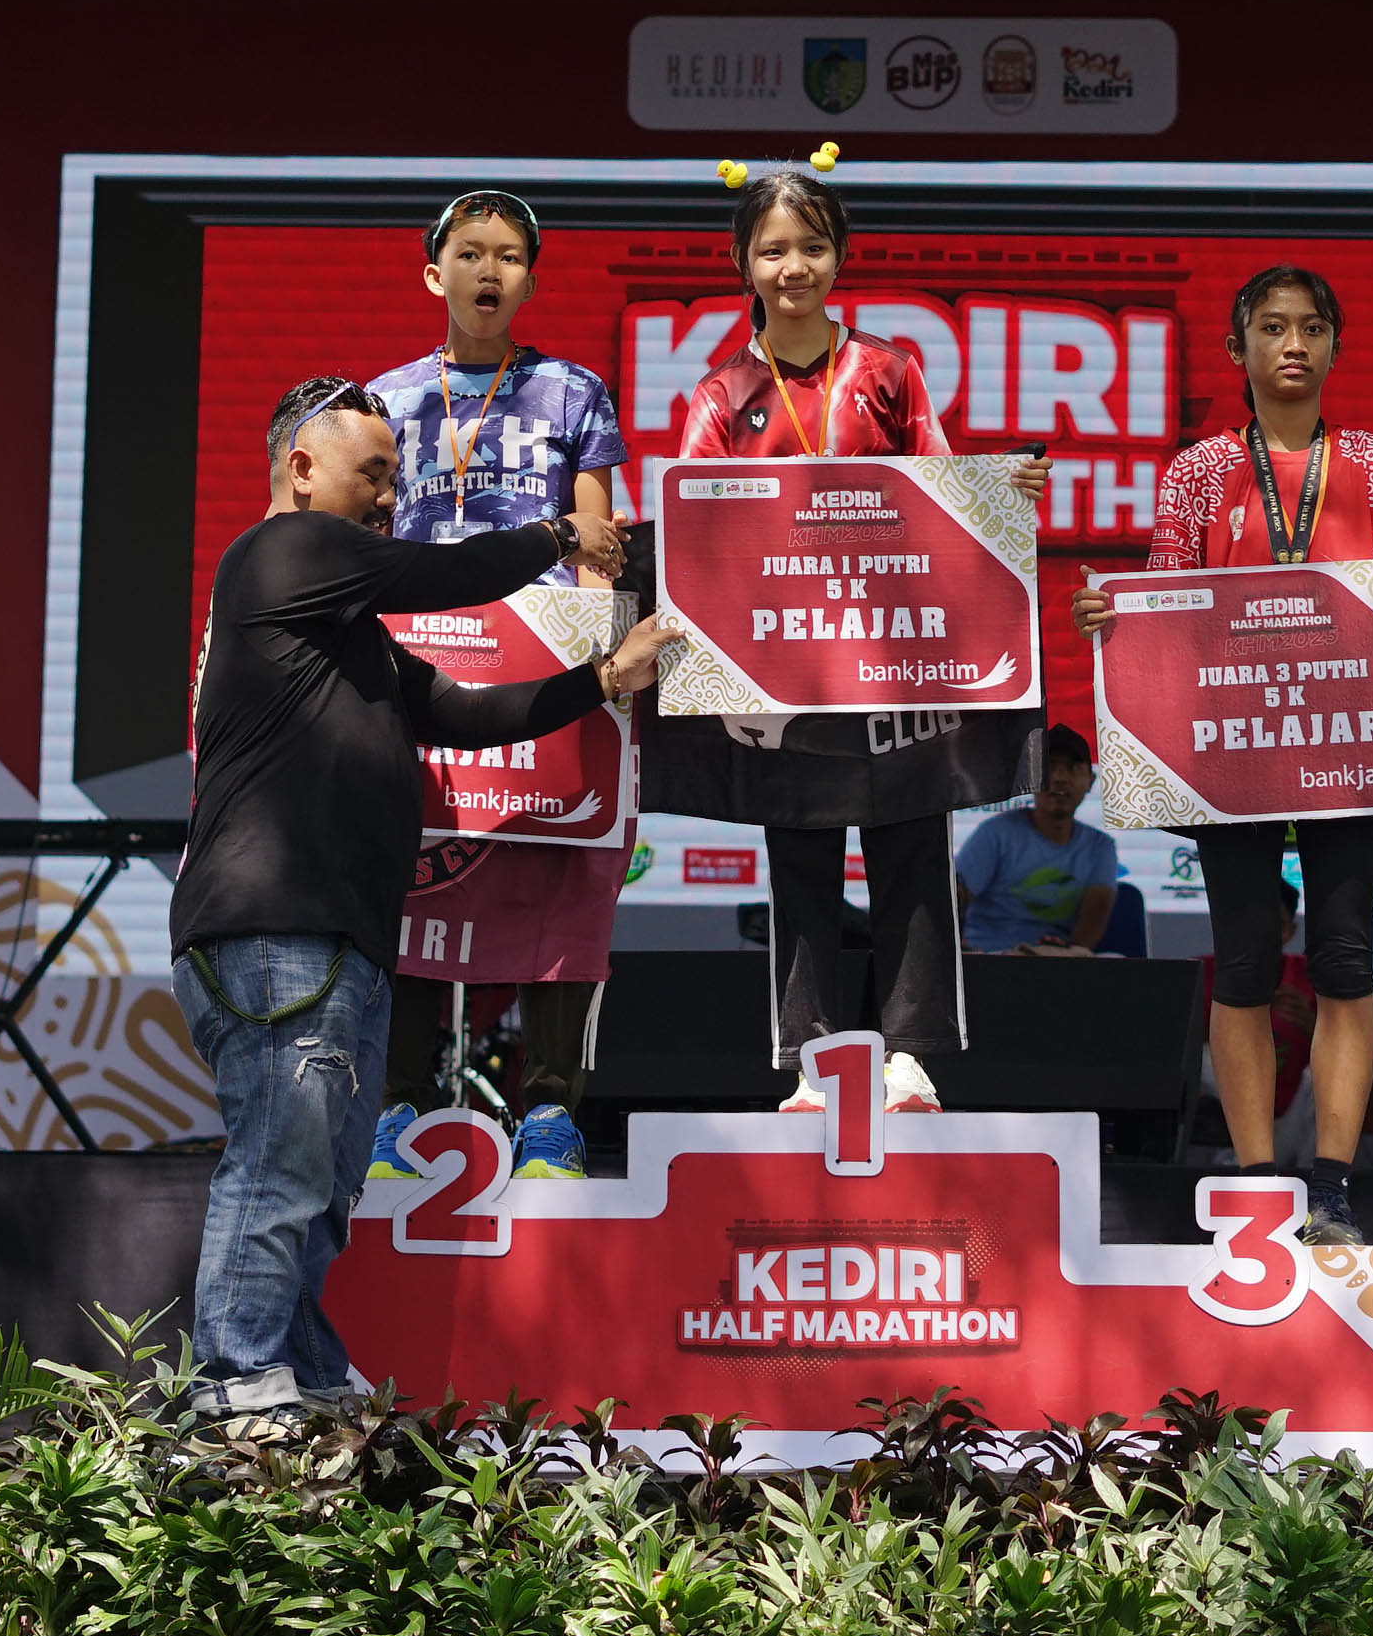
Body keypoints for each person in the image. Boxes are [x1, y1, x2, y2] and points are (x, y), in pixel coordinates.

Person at [169, 377, 666, 1433]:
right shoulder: (281, 551)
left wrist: (601, 679)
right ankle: (233, 1381)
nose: (394, 496)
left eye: (398, 475)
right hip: (274, 927)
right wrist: (558, 531)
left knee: (328, 1180)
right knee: (280, 1163)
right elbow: (445, 574)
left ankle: (302, 1373)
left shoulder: (343, 632)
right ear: (303, 468)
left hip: (339, 939)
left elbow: (466, 712)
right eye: (375, 473)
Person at [648, 165, 1047, 1115]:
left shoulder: (889, 371)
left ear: (841, 257)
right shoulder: (720, 393)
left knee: (913, 848)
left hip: (893, 657)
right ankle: (811, 1060)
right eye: (774, 250)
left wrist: (1000, 494)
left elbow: (941, 492)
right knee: (801, 864)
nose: (795, 267)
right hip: (782, 670)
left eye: (813, 247)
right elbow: (696, 525)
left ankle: (911, 1056)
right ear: (743, 263)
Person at [1075, 264, 1373, 1243]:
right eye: (1272, 327)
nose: (1293, 343)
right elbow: (1165, 605)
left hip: (1349, 741)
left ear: (1336, 345)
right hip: (1234, 744)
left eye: (1312, 326)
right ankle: (1260, 1184)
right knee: (1244, 962)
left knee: (1344, 959)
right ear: (1238, 349)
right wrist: (1112, 614)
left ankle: (1335, 1188)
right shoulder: (1196, 469)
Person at [364, 190, 630, 1181]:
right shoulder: (382, 400)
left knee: (562, 877)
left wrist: (602, 654)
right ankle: (398, 1110)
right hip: (422, 666)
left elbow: (598, 546)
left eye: (510, 256)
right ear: (434, 273)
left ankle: (551, 1110)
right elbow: (361, 536)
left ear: (529, 279)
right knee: (413, 874)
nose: (490, 269)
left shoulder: (572, 390)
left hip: (543, 669)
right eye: (471, 252)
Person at [956, 728, 1122, 953]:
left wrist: (1067, 955)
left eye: (1073, 768)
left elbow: (1093, 920)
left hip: (1059, 961)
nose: (1060, 778)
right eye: (1048, 766)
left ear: (1091, 781)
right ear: (1029, 778)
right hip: (993, 957)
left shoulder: (1101, 846)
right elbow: (956, 896)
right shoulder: (995, 834)